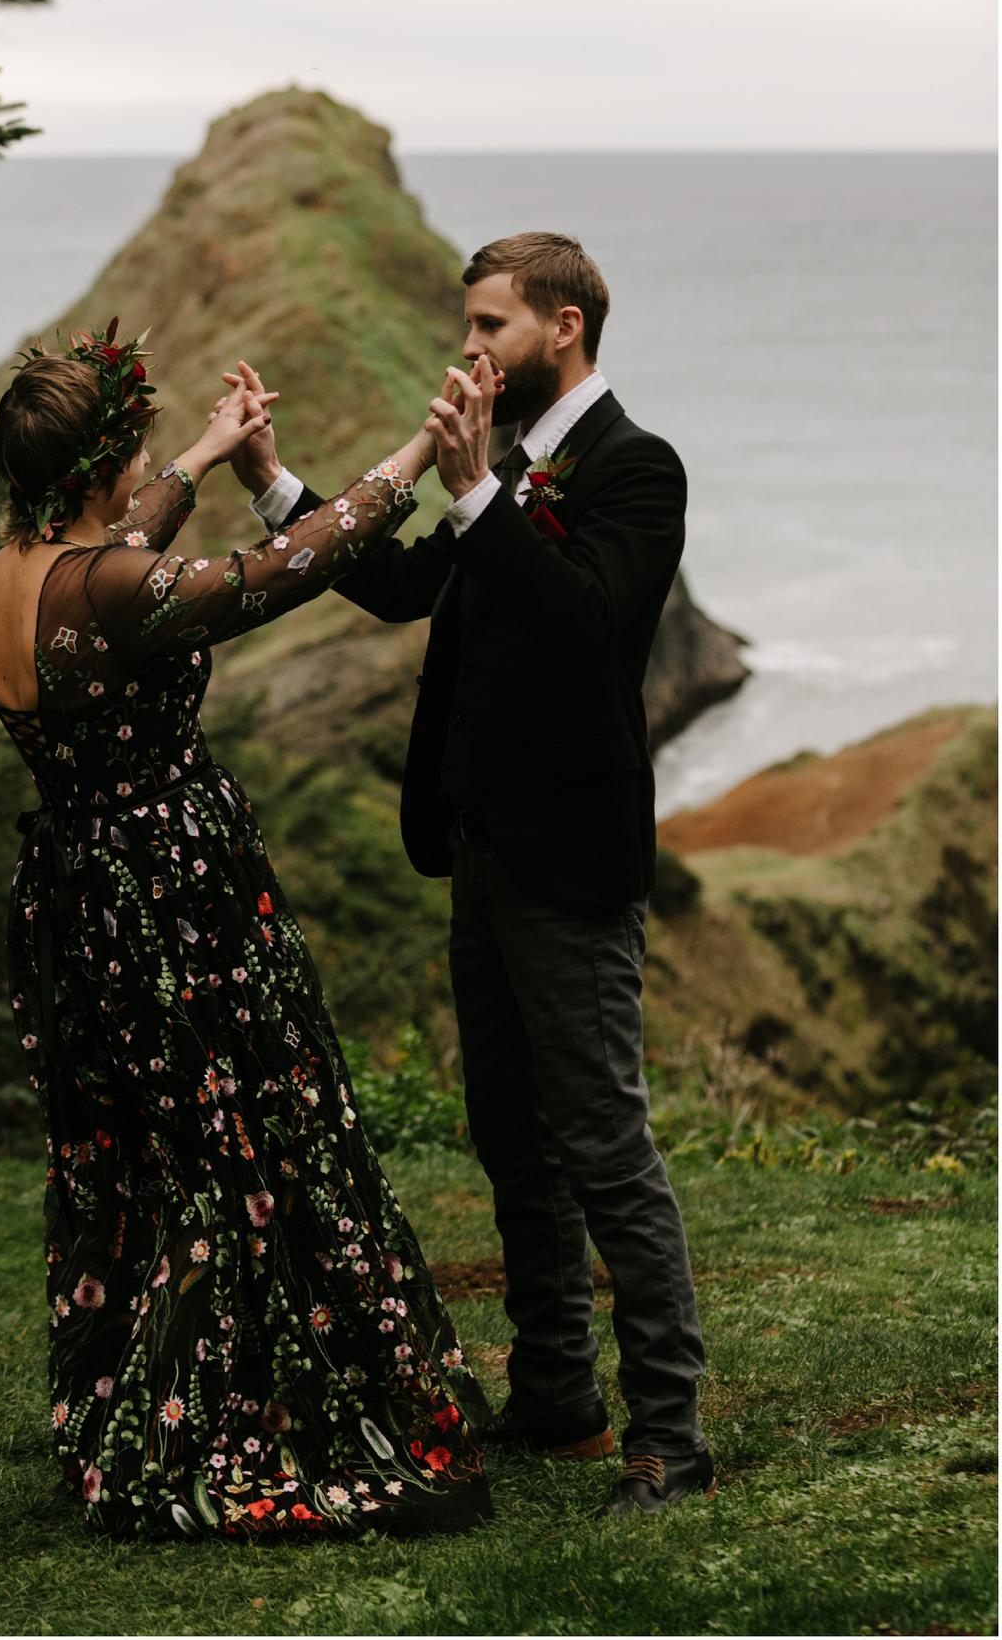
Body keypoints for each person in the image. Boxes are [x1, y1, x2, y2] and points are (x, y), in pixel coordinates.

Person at [0, 318, 494, 1543]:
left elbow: (128, 534)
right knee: (253, 1131)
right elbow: (292, 567)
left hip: (75, 893)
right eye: (138, 450)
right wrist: (422, 445)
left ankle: (134, 1411)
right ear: (96, 466)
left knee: (138, 1153)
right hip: (173, 889)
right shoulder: (111, 587)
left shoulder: (9, 577)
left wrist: (206, 450)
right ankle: (241, 1412)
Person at [231, 233, 715, 1518]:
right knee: (511, 1134)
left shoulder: (637, 467)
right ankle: (557, 1390)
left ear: (562, 329)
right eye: (469, 323)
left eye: (491, 325)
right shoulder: (504, 469)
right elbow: (396, 590)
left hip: (571, 854)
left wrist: (482, 496)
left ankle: (669, 1430)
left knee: (604, 1143)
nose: (469, 347)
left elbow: (588, 619)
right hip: (481, 850)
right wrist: (278, 480)